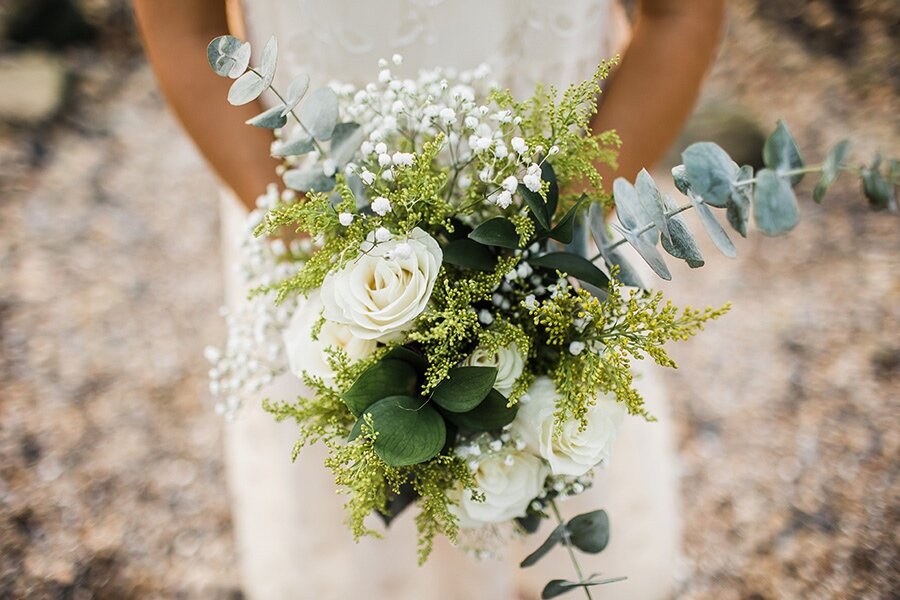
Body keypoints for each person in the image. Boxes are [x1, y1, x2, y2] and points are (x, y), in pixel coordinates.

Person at [134, 1, 725, 598]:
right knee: (351, 547)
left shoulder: (559, 245)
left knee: (569, 521)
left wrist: (547, 250)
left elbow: (682, 13)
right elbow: (184, 28)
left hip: (562, 236)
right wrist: (330, 265)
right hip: (313, 242)